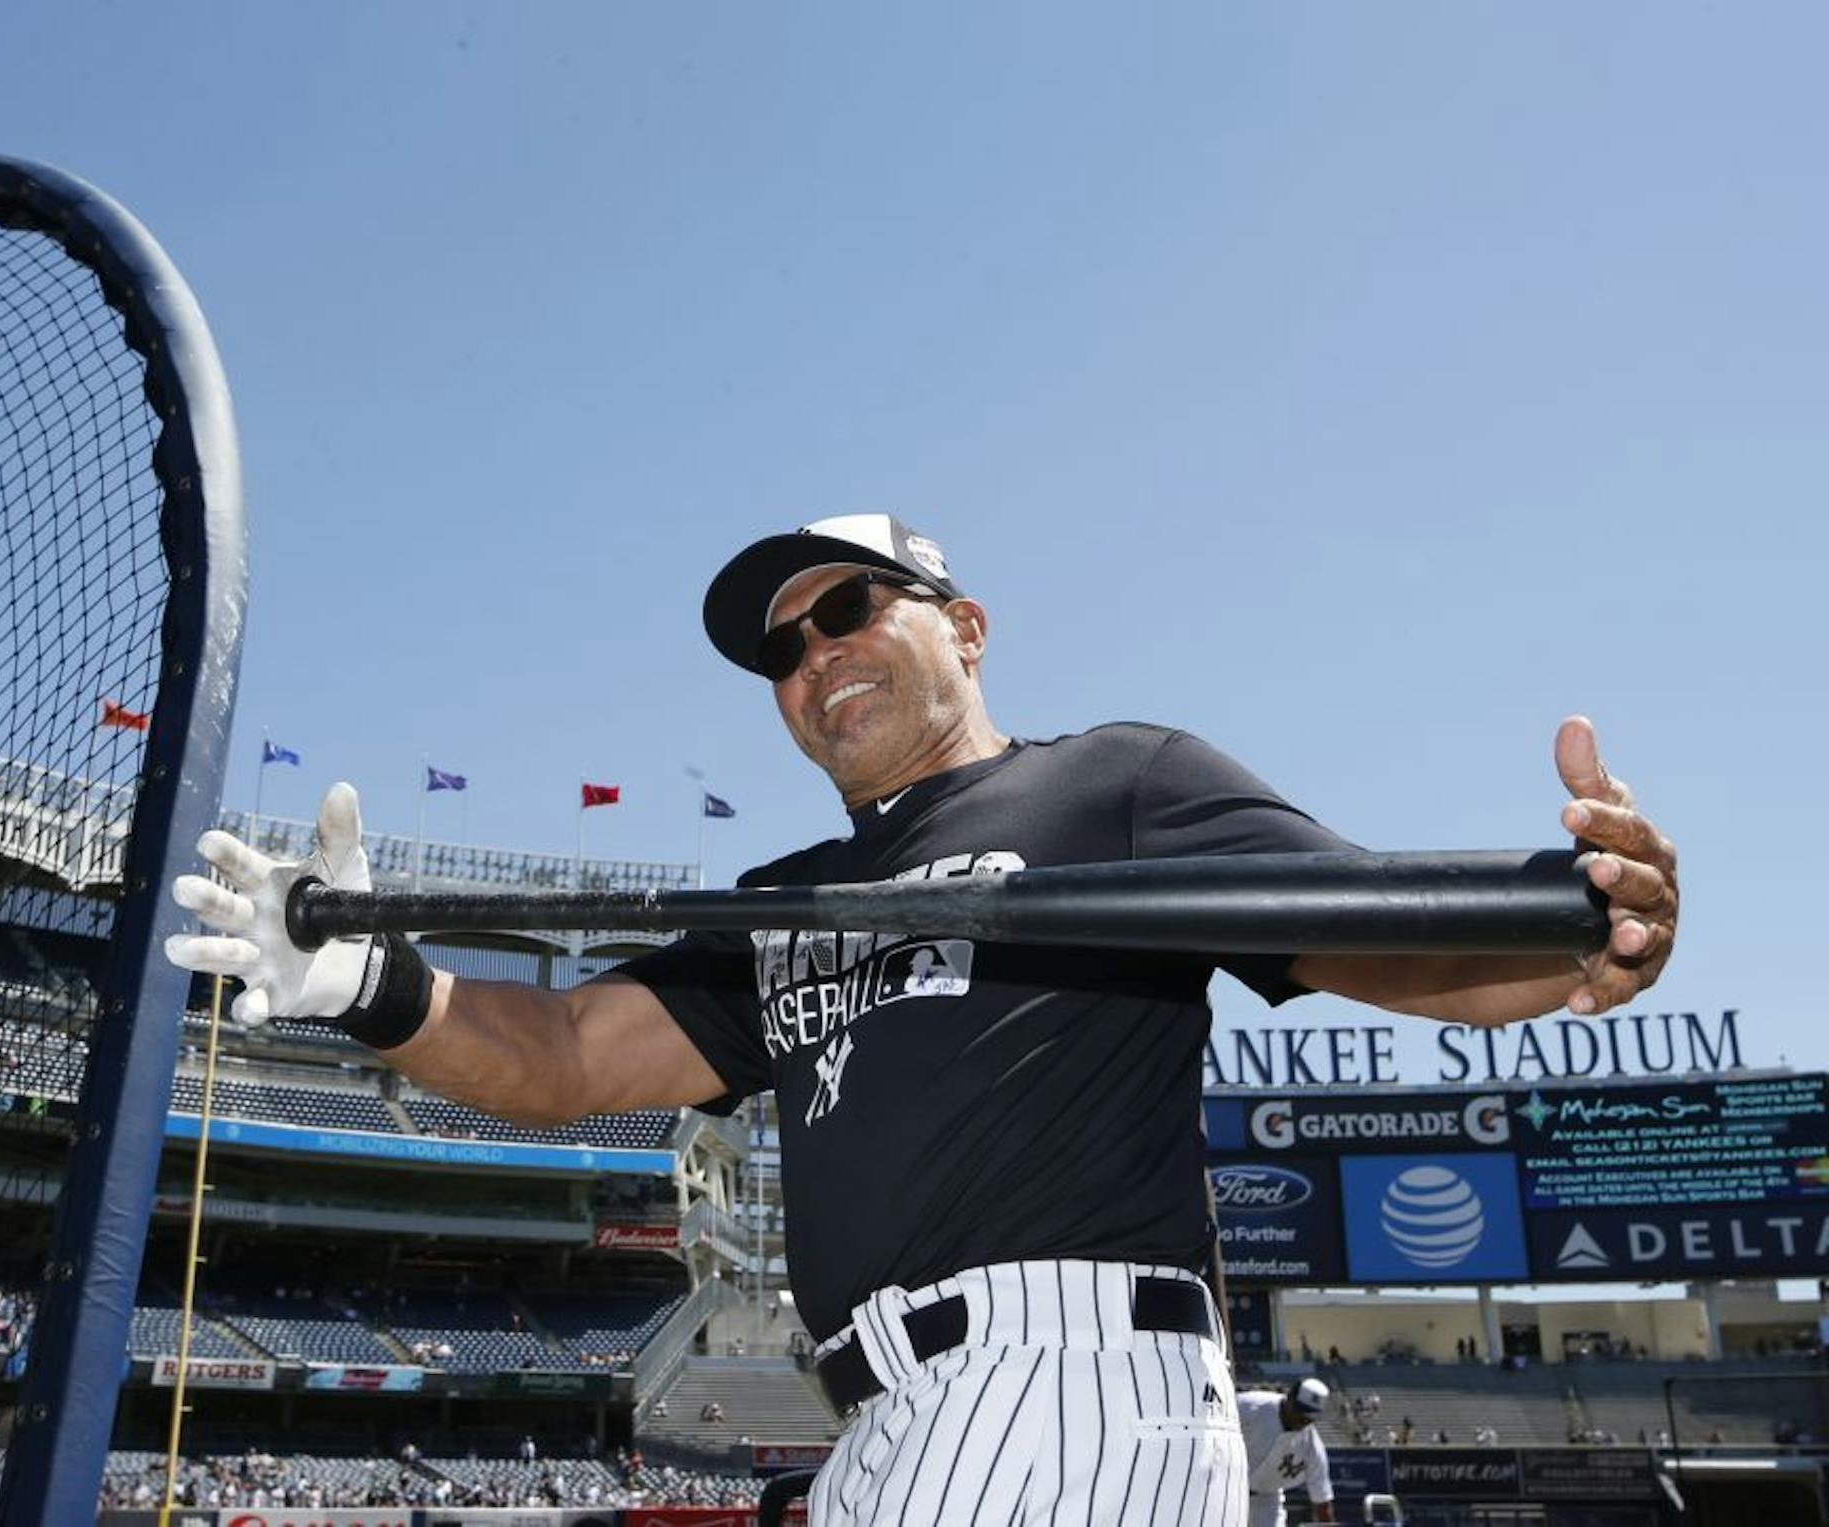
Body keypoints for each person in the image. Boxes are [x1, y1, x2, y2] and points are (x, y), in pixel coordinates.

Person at [167, 515, 1679, 1526]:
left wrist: (1583, 936)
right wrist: (377, 987)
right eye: (784, 649)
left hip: (1070, 1384)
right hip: (888, 1419)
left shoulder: (1116, 784)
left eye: (845, 610)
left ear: (963, 623)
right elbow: (568, 1058)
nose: (815, 656)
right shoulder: (799, 896)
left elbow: (1373, 936)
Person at [1238, 1379, 1336, 1527]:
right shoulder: (1249, 1406)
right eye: (1300, 1411)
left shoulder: (1311, 1445)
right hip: (1227, 1488)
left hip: (1266, 1500)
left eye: (1309, 1417)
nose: (1303, 1420)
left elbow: (1321, 1499)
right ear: (1289, 1398)